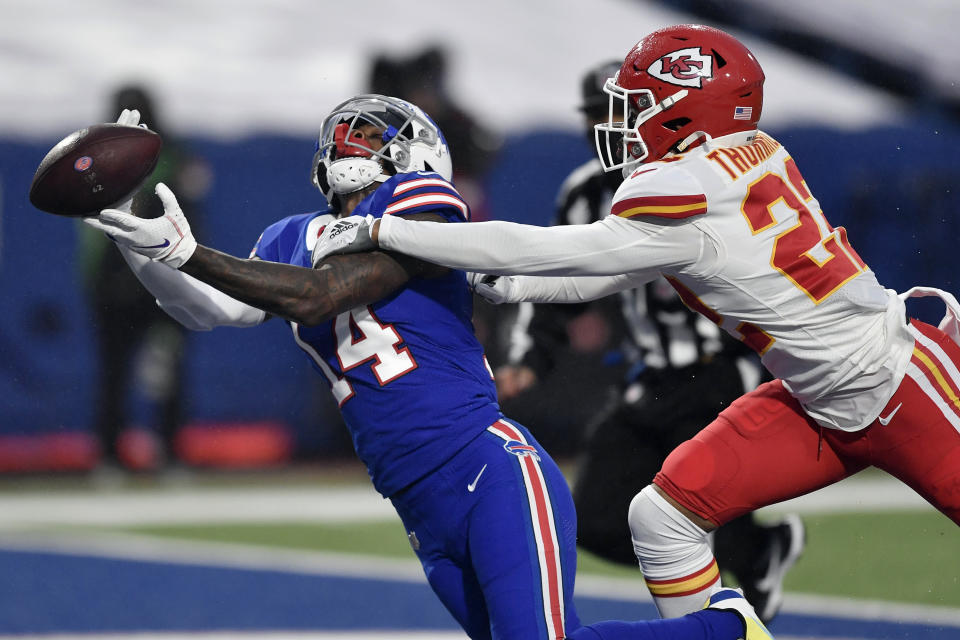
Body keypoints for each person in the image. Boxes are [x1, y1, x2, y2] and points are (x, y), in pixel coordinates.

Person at [310, 24, 960, 622]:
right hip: (817, 399)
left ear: (686, 112)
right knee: (662, 519)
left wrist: (379, 228)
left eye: (637, 105)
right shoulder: (746, 155)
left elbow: (553, 249)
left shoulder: (688, 189)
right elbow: (609, 266)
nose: (621, 122)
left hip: (895, 379)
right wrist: (504, 284)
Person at [84, 95, 775, 640]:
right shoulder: (291, 236)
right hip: (417, 503)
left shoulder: (420, 207)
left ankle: (724, 627)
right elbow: (211, 310)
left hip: (488, 470)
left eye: (377, 133)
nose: (355, 140)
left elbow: (325, 293)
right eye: (350, 132)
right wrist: (138, 244)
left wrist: (187, 253)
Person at [494, 59, 804, 624]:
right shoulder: (587, 190)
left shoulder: (709, 173)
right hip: (652, 376)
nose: (604, 127)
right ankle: (755, 558)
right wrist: (528, 357)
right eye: (596, 115)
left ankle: (728, 602)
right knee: (594, 517)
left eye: (616, 113)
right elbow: (565, 278)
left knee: (694, 498)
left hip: (721, 364)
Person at [77, 83, 210, 473]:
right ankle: (116, 454)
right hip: (123, 286)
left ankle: (160, 452)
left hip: (154, 284)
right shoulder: (98, 159)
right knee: (123, 373)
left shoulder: (171, 157)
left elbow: (190, 221)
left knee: (159, 372)